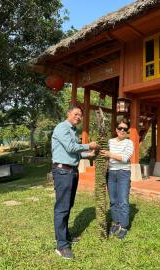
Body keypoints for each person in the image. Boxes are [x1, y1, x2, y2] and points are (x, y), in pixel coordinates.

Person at [52, 104, 99, 259]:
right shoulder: (62, 128)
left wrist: (87, 155)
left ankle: (64, 236)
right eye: (76, 114)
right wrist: (88, 145)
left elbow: (74, 154)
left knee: (68, 205)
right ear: (68, 113)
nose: (78, 117)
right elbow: (71, 147)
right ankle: (61, 246)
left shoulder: (72, 131)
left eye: (80, 115)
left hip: (71, 171)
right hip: (63, 171)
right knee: (62, 208)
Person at [101, 119, 134, 239]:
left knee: (123, 201)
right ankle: (116, 222)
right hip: (111, 173)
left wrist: (110, 155)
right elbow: (103, 154)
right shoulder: (110, 141)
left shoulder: (129, 143)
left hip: (123, 173)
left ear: (127, 131)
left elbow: (125, 158)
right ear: (116, 129)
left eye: (125, 129)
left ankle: (124, 226)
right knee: (113, 200)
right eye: (120, 128)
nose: (122, 130)